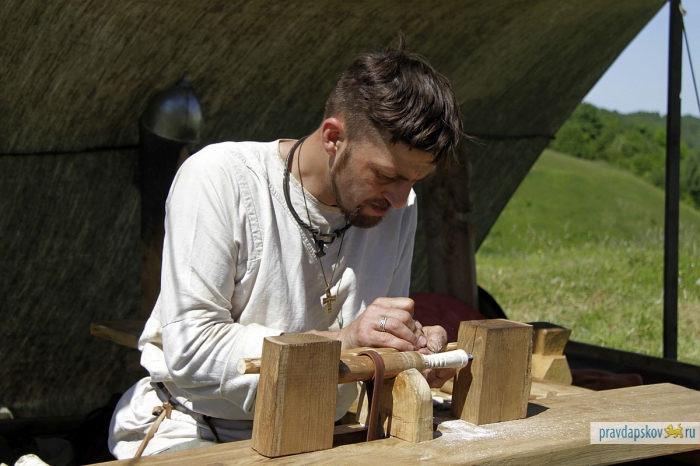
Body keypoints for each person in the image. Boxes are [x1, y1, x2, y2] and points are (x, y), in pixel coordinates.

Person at [109, 37, 463, 459]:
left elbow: (375, 347)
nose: (400, 199)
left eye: (414, 181)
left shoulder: (397, 206)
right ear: (333, 137)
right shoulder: (220, 179)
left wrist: (410, 353)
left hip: (317, 432)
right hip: (194, 427)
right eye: (386, 175)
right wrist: (343, 339)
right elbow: (193, 350)